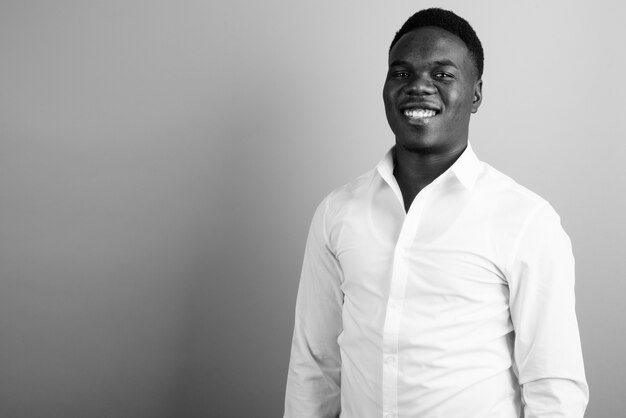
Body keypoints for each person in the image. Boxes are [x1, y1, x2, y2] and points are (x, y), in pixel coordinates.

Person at [284, 8, 588, 418]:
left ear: (476, 93)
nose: (418, 87)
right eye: (401, 73)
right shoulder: (337, 212)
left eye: (443, 74)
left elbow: (554, 387)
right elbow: (315, 366)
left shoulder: (525, 220)